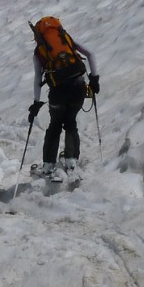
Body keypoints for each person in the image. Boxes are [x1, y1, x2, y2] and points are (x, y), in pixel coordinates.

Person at [26, 16, 100, 181]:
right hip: (78, 89)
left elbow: (38, 79)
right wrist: (94, 79)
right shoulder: (66, 39)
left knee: (55, 126)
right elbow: (91, 54)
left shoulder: (39, 52)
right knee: (71, 123)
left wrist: (36, 103)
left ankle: (48, 167)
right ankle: (71, 162)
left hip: (58, 94)